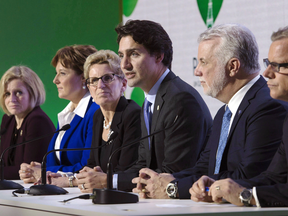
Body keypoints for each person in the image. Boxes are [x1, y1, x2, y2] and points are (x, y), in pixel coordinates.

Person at [132, 23, 288, 199]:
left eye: (204, 62)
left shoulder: (267, 107)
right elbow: (204, 169)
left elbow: (248, 176)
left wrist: (173, 188)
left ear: (232, 66)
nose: (197, 71)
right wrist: (164, 181)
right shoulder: (224, 112)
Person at [79, 19, 213, 193]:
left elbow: (173, 173)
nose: (124, 64)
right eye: (121, 56)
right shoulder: (151, 100)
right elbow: (143, 165)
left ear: (158, 56)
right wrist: (107, 179)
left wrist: (109, 181)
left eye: (134, 54)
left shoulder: (180, 99)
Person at [194, 26, 288, 207]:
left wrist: (247, 195)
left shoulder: (269, 108)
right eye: (268, 63)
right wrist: (216, 187)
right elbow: (274, 177)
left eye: (277, 66)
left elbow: (251, 174)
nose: (267, 73)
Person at [48, 50, 141, 189]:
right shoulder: (98, 116)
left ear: (123, 84)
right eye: (94, 81)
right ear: (89, 87)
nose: (100, 86)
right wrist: (80, 177)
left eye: (108, 78)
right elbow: (90, 165)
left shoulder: (132, 114)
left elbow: (126, 171)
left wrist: (92, 179)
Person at [19, 45, 99, 183]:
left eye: (62, 73)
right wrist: (37, 170)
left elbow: (87, 168)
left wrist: (45, 172)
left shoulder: (95, 111)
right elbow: (54, 163)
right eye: (56, 73)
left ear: (83, 77)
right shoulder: (66, 114)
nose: (55, 80)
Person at [0, 66, 55, 180]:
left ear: (33, 93)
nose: (12, 99)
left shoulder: (37, 121)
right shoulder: (8, 119)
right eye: (7, 94)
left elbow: (29, 171)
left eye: (18, 93)